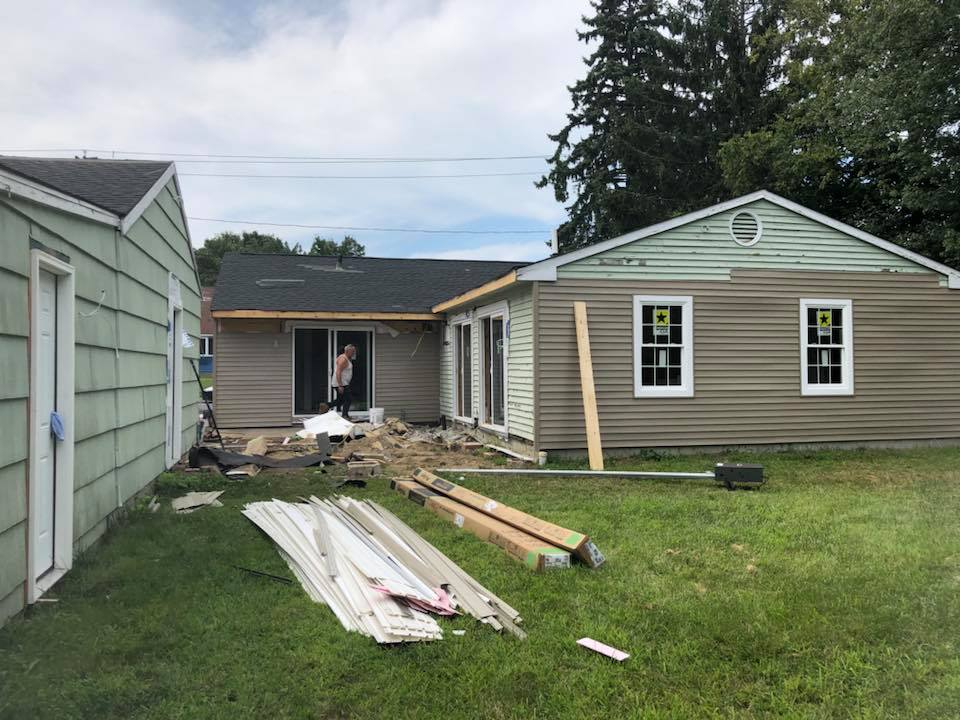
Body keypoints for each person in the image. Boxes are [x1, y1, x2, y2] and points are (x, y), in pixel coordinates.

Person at [330, 344, 357, 420]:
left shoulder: (347, 358)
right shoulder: (343, 359)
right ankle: (345, 415)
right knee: (348, 399)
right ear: (347, 351)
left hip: (343, 383)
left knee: (340, 400)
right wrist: (340, 385)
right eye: (352, 351)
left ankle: (326, 406)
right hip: (341, 383)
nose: (353, 353)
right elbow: (338, 372)